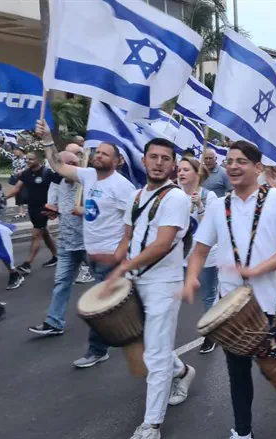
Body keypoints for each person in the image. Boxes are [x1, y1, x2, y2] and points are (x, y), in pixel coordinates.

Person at [181, 141, 276, 439]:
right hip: (231, 308)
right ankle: (242, 432)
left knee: (273, 369)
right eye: (230, 161)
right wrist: (191, 277)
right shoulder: (219, 206)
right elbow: (200, 248)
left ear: (257, 167)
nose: (233, 166)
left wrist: (258, 269)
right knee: (238, 374)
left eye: (241, 161)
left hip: (270, 304)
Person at [103, 138, 195, 439]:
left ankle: (151, 425)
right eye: (153, 157)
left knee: (154, 355)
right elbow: (128, 238)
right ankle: (181, 371)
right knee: (146, 347)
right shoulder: (135, 196)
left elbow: (162, 244)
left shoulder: (177, 198)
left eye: (165, 158)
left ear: (172, 165)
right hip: (135, 282)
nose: (158, 162)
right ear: (143, 161)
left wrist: (124, 267)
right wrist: (115, 266)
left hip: (162, 284)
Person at [37, 120, 136, 368]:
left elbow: (132, 226)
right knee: (109, 308)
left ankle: (99, 349)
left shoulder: (123, 187)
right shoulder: (89, 175)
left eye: (105, 154)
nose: (99, 156)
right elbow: (58, 166)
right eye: (97, 152)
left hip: (110, 258)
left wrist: (120, 256)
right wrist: (48, 138)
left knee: (100, 308)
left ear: (117, 161)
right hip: (92, 255)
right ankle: (133, 340)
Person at [28, 151, 89, 336]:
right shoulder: (58, 183)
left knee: (109, 283)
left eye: (73, 163)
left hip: (90, 243)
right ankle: (54, 323)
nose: (69, 168)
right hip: (67, 242)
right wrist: (52, 210)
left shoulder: (89, 183)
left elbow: (103, 210)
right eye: (64, 165)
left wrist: (84, 210)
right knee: (61, 282)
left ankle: (126, 320)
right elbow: (54, 207)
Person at [177, 156, 219, 353]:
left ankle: (211, 334)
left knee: (208, 297)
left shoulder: (208, 197)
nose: (181, 173)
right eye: (180, 170)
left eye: (186, 169)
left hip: (206, 256)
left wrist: (200, 207)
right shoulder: (174, 196)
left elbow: (210, 230)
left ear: (197, 173)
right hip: (181, 255)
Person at [4, 149, 59, 273]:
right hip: (32, 208)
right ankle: (57, 256)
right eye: (27, 159)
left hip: (45, 208)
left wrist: (57, 206)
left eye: (31, 159)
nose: (28, 161)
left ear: (39, 160)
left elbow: (62, 186)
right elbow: (17, 188)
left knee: (36, 234)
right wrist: (3, 198)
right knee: (44, 232)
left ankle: (28, 263)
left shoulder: (47, 173)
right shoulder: (26, 173)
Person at [63, 143, 95, 285]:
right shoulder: (64, 175)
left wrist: (82, 209)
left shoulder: (91, 176)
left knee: (85, 248)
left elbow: (102, 207)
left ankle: (89, 269)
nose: (70, 159)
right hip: (68, 224)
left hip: (88, 224)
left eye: (75, 155)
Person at [0, 142, 28, 219]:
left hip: (25, 178)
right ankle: (21, 212)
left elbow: (31, 166)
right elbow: (3, 152)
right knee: (18, 194)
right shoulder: (14, 157)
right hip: (16, 178)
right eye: (14, 150)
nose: (14, 151)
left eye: (16, 150)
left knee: (24, 193)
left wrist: (23, 171)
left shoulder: (27, 158)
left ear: (21, 150)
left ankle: (4, 199)